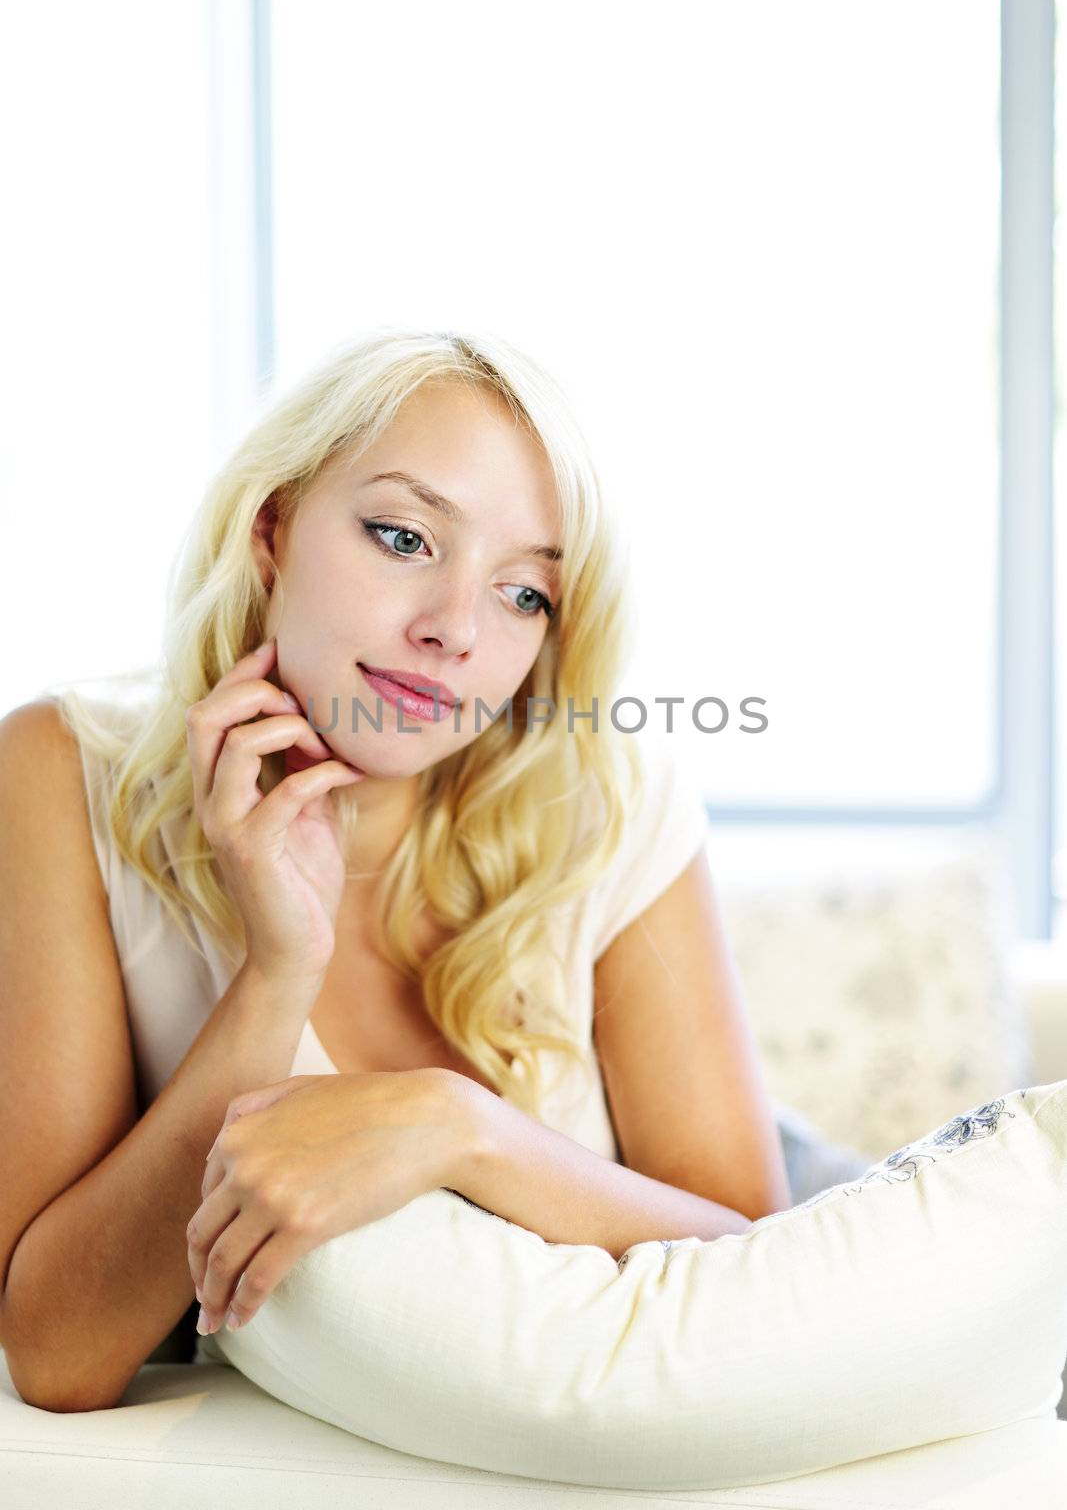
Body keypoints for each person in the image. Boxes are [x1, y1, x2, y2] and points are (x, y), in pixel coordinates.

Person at [0, 328, 867, 1414]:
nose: (453, 629)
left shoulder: (606, 797)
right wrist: (278, 971)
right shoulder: (64, 770)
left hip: (802, 1200)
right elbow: (56, 1354)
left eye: (522, 595)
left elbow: (755, 1265)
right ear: (272, 531)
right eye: (404, 537)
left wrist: (453, 1125)